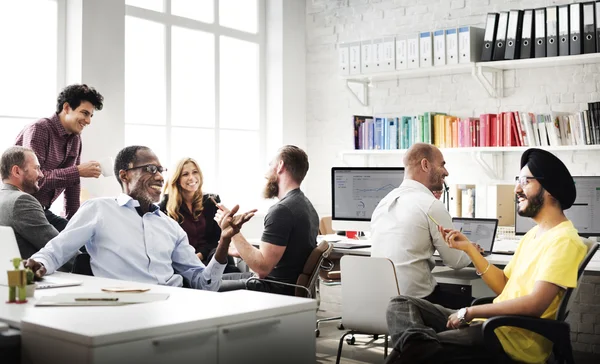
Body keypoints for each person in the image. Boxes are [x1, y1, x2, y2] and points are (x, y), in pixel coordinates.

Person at [384, 148, 587, 364]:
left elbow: (535, 305)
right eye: (517, 180)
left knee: (411, 353)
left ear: (550, 189)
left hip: (509, 339)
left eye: (525, 181)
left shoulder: (565, 240)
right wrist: (469, 249)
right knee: (401, 304)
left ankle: (421, 349)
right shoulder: (534, 235)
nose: (517, 188)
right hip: (491, 325)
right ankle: (423, 347)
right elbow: (504, 286)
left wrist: (469, 312)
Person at [25, 146, 255, 291]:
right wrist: (38, 264)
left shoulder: (171, 227)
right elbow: (56, 250)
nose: (159, 176)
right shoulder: (99, 210)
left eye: (160, 170)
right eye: (150, 169)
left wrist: (224, 240)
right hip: (124, 306)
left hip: (176, 305)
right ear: (124, 175)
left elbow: (205, 284)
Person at [370, 143, 471, 308]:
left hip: (380, 303)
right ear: (425, 165)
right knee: (480, 305)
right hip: (416, 304)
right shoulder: (431, 205)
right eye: (442, 165)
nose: (446, 172)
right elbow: (456, 261)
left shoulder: (384, 202)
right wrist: (471, 249)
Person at [216, 145, 319, 296]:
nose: (266, 173)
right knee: (209, 279)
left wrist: (232, 230)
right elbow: (283, 257)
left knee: (205, 286)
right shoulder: (306, 206)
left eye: (270, 165)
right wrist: (243, 251)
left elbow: (262, 268)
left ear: (280, 166)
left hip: (274, 290)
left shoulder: (282, 210)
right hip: (284, 286)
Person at [15, 84, 105, 232]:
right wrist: (77, 171)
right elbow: (35, 181)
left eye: (90, 115)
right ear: (67, 107)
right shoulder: (39, 130)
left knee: (84, 240)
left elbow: (72, 186)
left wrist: (74, 224)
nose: (88, 121)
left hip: (42, 210)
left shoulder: (75, 139)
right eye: (85, 113)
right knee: (63, 248)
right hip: (22, 209)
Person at [160, 158, 240, 273]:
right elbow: (167, 244)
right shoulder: (165, 206)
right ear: (177, 179)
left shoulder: (211, 201)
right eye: (185, 174)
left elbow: (217, 238)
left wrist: (200, 255)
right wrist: (190, 259)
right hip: (183, 262)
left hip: (210, 257)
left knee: (227, 269)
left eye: (195, 172)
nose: (191, 178)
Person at [0, 146, 58, 259]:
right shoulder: (21, 201)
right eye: (36, 168)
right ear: (16, 171)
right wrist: (89, 266)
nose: (41, 174)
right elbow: (57, 247)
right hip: (31, 274)